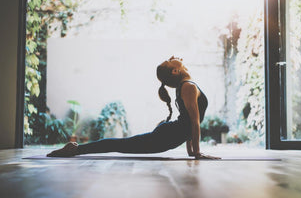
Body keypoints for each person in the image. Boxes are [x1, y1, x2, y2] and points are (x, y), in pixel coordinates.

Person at [47, 56, 221, 160]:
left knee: (122, 144)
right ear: (175, 71)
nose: (174, 56)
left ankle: (75, 148)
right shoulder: (187, 86)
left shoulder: (185, 85)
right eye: (170, 59)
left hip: (169, 135)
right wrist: (196, 153)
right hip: (166, 136)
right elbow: (193, 122)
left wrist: (192, 152)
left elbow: (190, 122)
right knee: (120, 144)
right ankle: (75, 149)